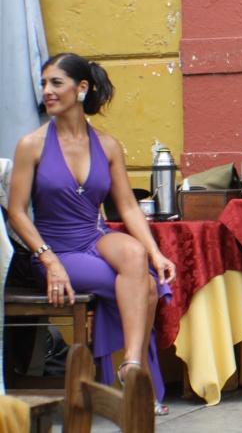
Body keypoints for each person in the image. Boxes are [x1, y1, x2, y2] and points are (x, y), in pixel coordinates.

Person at [7, 53, 177, 415]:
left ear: (81, 88)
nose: (47, 92)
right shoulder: (31, 145)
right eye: (44, 84)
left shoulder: (108, 145)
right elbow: (17, 212)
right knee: (144, 287)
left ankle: (129, 366)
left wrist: (156, 252)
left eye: (56, 83)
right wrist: (48, 259)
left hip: (92, 235)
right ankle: (136, 381)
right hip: (54, 250)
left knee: (136, 255)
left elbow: (128, 207)